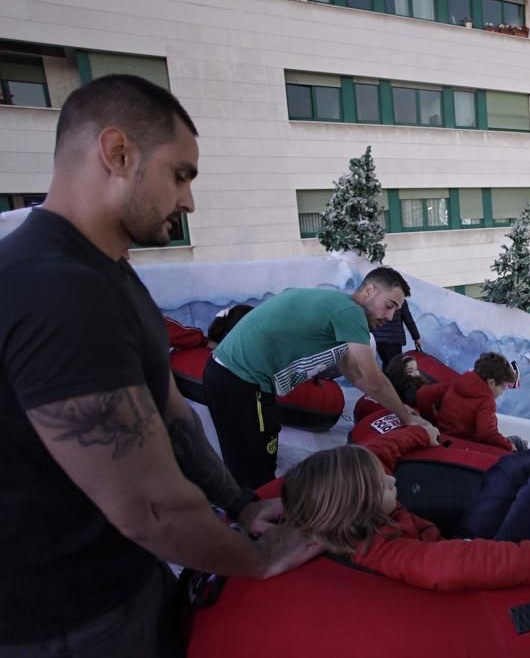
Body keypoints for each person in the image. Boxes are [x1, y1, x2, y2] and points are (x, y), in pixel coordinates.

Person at [0, 75, 320, 657]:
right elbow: (148, 505)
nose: (190, 200)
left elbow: (173, 417)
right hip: (65, 625)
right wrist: (259, 559)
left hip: (126, 585)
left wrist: (242, 505)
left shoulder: (108, 273)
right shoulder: (54, 289)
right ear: (118, 153)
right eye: (180, 175)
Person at [280, 385, 530, 590]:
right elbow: (448, 568)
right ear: (358, 508)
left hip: (459, 536)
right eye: (383, 485)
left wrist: (420, 432)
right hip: (482, 552)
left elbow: (378, 452)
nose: (391, 478)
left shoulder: (361, 492)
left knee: (511, 466)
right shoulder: (384, 550)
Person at [204, 267, 440, 489]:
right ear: (369, 290)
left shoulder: (335, 308)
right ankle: (256, 524)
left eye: (396, 311)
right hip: (241, 379)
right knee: (256, 464)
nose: (390, 316)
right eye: (389, 306)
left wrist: (402, 412)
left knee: (246, 461)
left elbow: (355, 374)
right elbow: (373, 378)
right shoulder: (350, 312)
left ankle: (247, 516)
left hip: (230, 376)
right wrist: (407, 419)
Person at [416, 352, 519, 452]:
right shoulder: (486, 400)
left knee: (516, 441)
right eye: (503, 387)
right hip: (466, 446)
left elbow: (423, 394)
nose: (502, 392)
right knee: (517, 442)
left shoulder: (456, 383)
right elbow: (486, 433)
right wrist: (508, 446)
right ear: (491, 383)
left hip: (443, 435)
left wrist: (431, 421)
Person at [372, 299, 421, 368]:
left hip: (378, 340)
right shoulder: (399, 299)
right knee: (396, 366)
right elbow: (408, 319)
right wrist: (416, 338)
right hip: (394, 340)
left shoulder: (378, 297)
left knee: (387, 364)